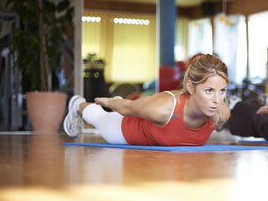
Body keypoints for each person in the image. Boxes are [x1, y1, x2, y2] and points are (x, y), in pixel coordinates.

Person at [64, 54, 230, 146]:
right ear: (191, 87)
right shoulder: (164, 108)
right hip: (123, 131)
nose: (217, 100)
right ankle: (78, 105)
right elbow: (129, 106)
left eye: (222, 91)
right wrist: (109, 103)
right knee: (99, 117)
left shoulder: (221, 113)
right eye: (209, 91)